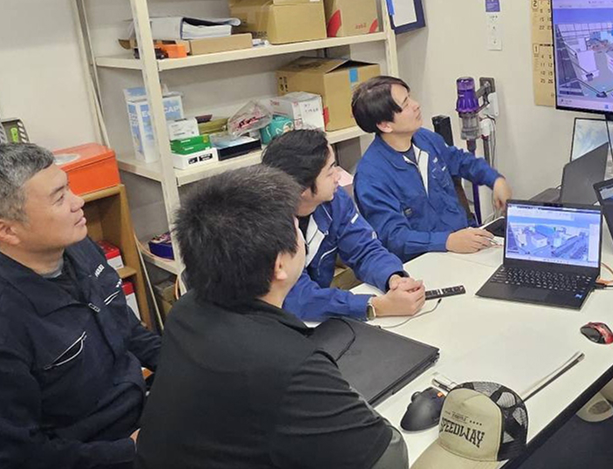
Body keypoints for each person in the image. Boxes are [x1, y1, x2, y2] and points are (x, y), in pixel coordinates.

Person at [135, 165, 408, 469]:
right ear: (279, 266)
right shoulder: (290, 365)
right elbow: (389, 457)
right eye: (296, 228)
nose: (301, 236)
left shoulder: (184, 313)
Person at [0, 143, 161, 469]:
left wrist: (189, 367)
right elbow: (21, 455)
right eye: (60, 198)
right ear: (8, 230)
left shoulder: (79, 248)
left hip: (140, 412)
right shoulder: (9, 320)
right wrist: (129, 451)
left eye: (69, 188)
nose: (79, 202)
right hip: (91, 453)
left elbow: (129, 330)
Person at [261, 129, 425, 321]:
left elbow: (364, 249)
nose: (338, 176)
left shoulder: (333, 200)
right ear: (302, 188)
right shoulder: (264, 224)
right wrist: (373, 306)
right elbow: (296, 297)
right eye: (330, 171)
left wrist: (393, 279)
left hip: (318, 319)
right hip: (272, 323)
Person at [352, 75, 512, 262]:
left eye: (410, 97)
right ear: (385, 125)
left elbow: (461, 161)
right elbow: (395, 237)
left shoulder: (425, 139)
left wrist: (495, 180)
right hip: (424, 261)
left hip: (463, 243)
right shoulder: (371, 177)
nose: (416, 105)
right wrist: (447, 241)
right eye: (405, 104)